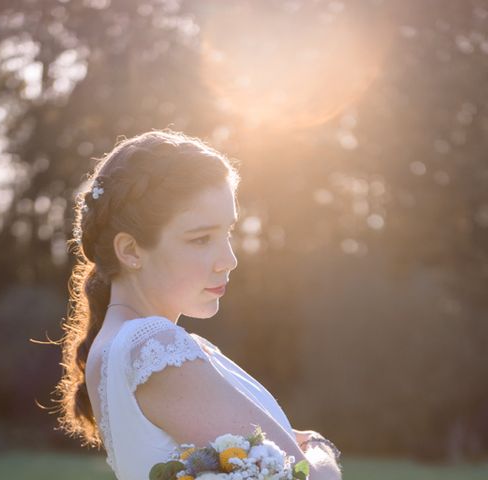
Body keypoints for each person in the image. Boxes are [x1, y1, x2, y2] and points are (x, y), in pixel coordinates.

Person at [53, 130, 342, 480]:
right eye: (201, 239)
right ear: (130, 251)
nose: (229, 260)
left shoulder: (120, 348)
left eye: (228, 233)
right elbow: (305, 477)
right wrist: (321, 450)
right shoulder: (154, 348)